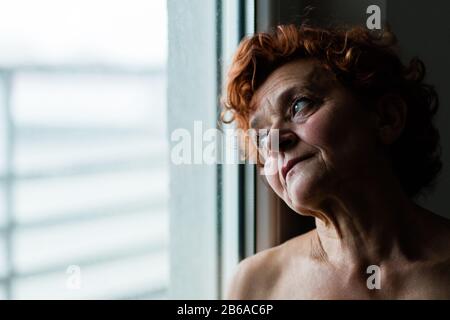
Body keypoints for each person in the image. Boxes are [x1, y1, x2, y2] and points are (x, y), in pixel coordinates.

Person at [221, 24, 450, 299]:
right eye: (261, 138)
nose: (275, 141)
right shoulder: (255, 285)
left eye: (300, 105)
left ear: (387, 117)